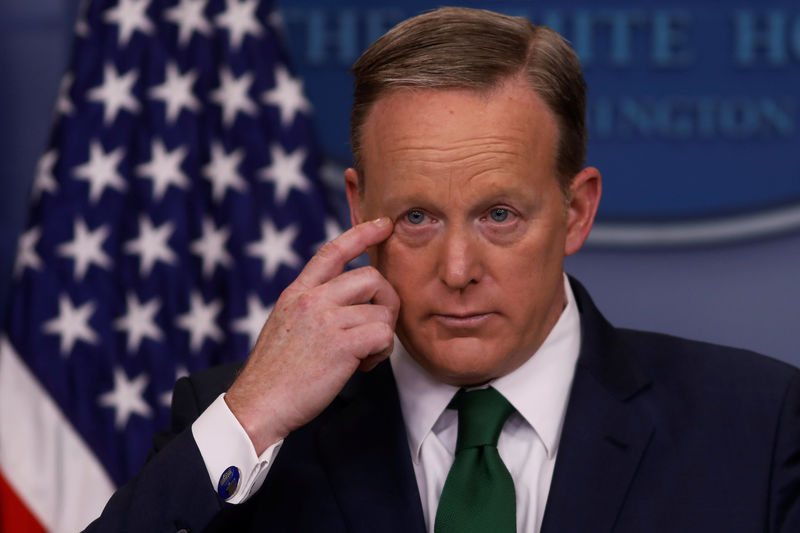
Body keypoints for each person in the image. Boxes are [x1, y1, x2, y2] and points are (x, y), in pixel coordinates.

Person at [85, 7, 800, 533]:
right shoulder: (246, 424)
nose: (458, 269)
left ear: (576, 211)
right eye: (418, 218)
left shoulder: (757, 427)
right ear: (359, 207)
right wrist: (250, 416)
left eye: (499, 216)